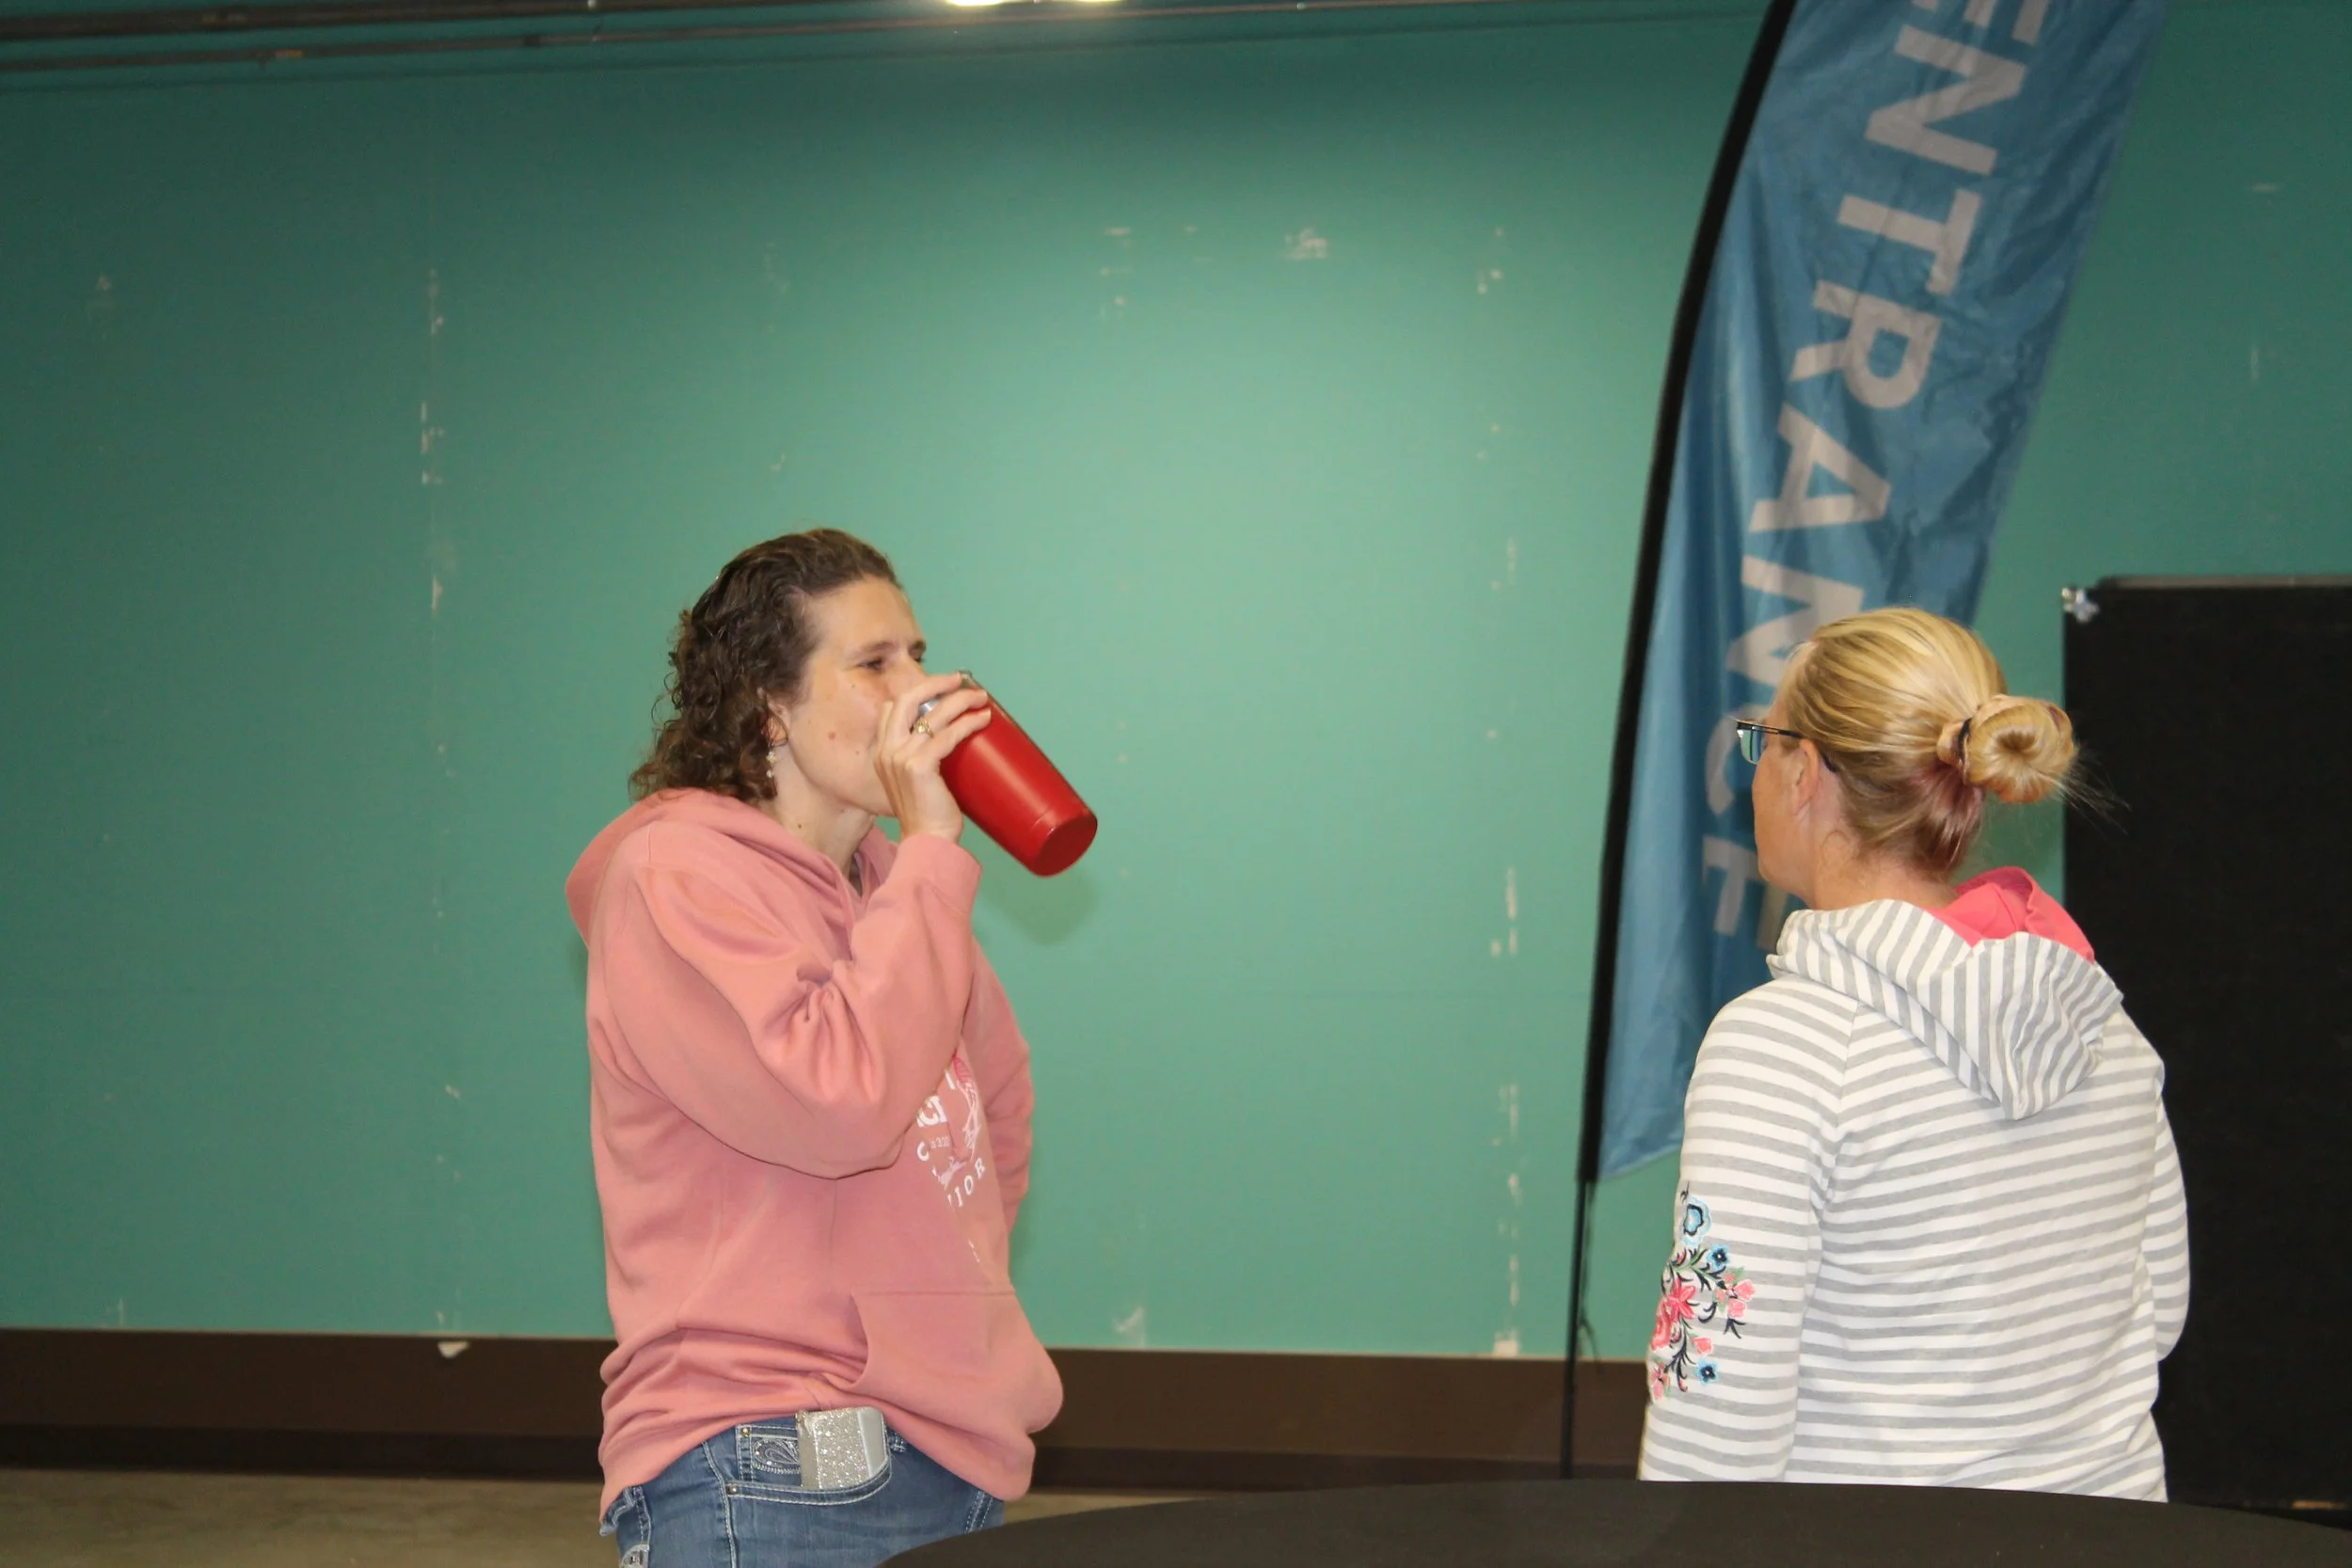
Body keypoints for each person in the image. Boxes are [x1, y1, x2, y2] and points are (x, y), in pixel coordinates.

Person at [564, 529, 1063, 1568]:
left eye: (918, 653)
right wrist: (932, 851)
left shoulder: (893, 892)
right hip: (774, 1453)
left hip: (946, 1442)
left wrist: (918, 1290)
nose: (922, 690)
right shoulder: (677, 876)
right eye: (876, 663)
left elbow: (993, 1116)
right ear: (769, 704)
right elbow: (837, 1101)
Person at [1638, 607, 2187, 1497]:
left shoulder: (1780, 1048)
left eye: (1764, 742)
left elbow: (1716, 1406)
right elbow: (2156, 1310)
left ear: (1805, 772)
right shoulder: (2099, 1022)